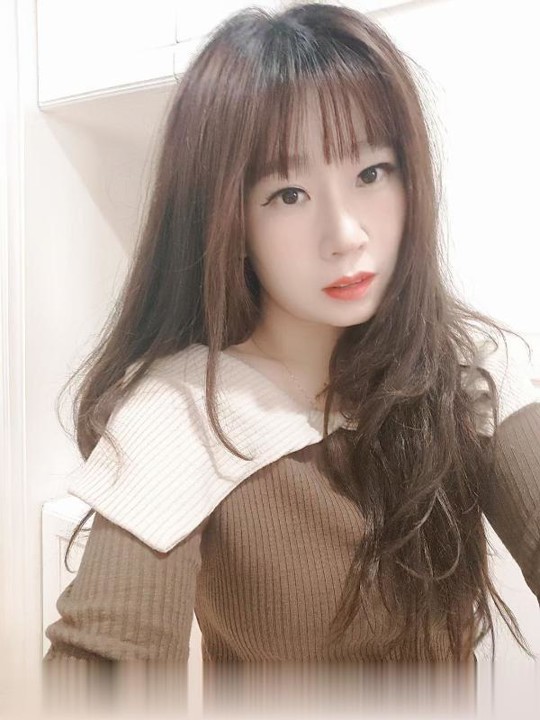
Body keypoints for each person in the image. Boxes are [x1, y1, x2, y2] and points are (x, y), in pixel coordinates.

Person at [42, 1, 540, 716]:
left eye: (372, 172)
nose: (345, 235)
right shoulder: (181, 415)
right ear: (226, 218)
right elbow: (101, 672)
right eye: (289, 193)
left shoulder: (467, 368)